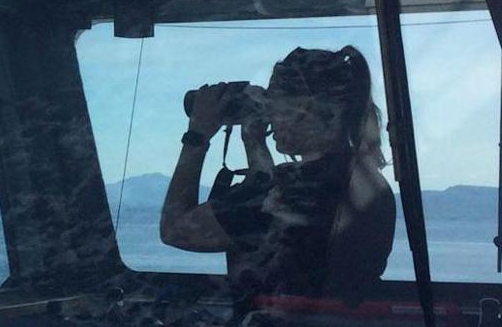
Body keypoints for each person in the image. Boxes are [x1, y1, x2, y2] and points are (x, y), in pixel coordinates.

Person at [160, 46, 395, 304]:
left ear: (308, 109)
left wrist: (197, 136)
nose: (269, 113)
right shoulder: (359, 177)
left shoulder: (295, 191)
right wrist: (255, 143)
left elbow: (175, 229)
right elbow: (266, 214)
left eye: (275, 103)